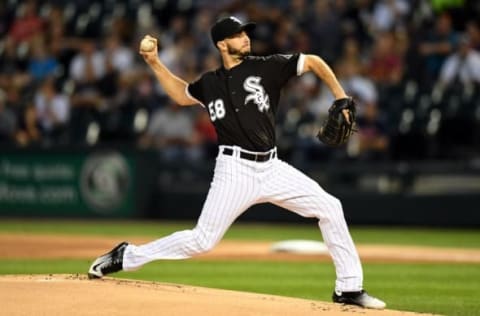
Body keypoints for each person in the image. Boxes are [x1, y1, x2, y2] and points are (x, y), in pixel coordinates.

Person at [88, 16, 386, 310]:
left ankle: (348, 288)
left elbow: (314, 62)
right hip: (234, 171)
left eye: (246, 32)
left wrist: (341, 98)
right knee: (201, 241)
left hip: (272, 167)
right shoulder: (210, 83)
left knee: (330, 207)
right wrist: (154, 62)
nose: (245, 37)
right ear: (222, 43)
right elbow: (181, 95)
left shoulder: (267, 66)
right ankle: (127, 256)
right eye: (237, 34)